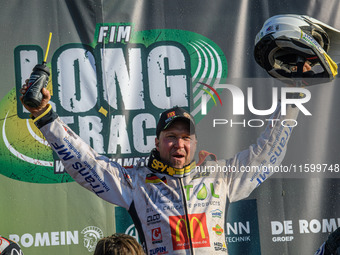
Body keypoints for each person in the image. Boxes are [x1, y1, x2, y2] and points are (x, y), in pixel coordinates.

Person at [19, 81, 299, 254]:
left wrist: (293, 91)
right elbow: (87, 164)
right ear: (158, 141)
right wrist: (45, 116)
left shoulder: (220, 177)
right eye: (171, 137)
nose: (179, 144)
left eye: (186, 138)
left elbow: (266, 153)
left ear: (195, 141)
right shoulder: (136, 182)